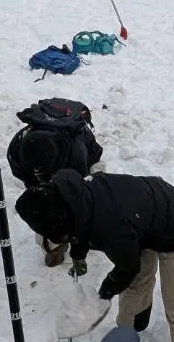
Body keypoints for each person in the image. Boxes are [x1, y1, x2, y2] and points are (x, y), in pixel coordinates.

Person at [14, 169, 174, 342]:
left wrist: (103, 294)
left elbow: (127, 267)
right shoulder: (71, 196)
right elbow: (81, 224)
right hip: (141, 222)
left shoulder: (111, 226)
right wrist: (78, 254)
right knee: (136, 286)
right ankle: (128, 334)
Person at [7, 97, 104, 266]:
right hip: (53, 166)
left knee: (91, 190)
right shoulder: (16, 150)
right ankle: (53, 242)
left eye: (43, 172)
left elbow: (79, 192)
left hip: (87, 161)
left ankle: (88, 232)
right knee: (45, 204)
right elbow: (30, 186)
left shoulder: (76, 155)